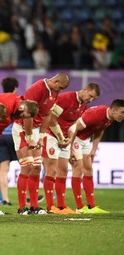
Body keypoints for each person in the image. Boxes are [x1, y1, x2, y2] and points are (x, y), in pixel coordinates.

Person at [12, 73, 69, 215]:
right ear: (55, 81)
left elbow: (48, 114)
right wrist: (30, 136)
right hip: (22, 129)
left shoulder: (54, 93)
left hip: (36, 131)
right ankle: (21, 208)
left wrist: (42, 135)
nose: (60, 91)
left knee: (37, 167)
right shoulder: (36, 89)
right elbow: (27, 115)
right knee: (27, 167)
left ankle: (34, 206)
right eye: (60, 87)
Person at [42, 83, 100, 214]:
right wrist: (61, 137)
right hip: (51, 136)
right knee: (51, 170)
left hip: (64, 140)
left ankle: (62, 206)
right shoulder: (66, 98)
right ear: (85, 90)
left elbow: (73, 125)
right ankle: (51, 207)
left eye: (93, 99)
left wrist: (70, 141)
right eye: (90, 96)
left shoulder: (83, 105)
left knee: (63, 171)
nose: (90, 100)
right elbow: (51, 119)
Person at [70, 99, 124, 213]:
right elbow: (74, 128)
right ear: (114, 110)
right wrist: (70, 148)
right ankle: (79, 207)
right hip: (74, 137)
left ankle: (91, 206)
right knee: (78, 169)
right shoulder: (95, 115)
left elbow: (100, 130)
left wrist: (94, 149)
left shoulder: (109, 117)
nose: (123, 116)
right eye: (122, 112)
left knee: (88, 170)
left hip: (85, 140)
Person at [0, 77, 19, 206]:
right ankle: (27, 197)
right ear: (15, 88)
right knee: (26, 167)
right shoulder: (17, 99)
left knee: (2, 169)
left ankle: (5, 199)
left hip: (1, 135)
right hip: (14, 136)